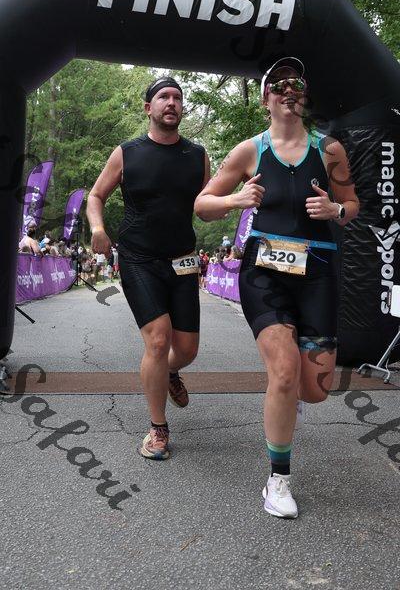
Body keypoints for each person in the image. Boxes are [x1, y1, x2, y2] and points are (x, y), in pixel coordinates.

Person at [194, 57, 359, 518]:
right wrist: (237, 199)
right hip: (264, 272)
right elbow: (202, 205)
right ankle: (278, 481)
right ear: (266, 99)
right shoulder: (250, 151)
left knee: (316, 389)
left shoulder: (330, 151)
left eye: (297, 84)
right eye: (280, 85)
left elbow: (352, 204)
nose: (289, 90)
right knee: (284, 373)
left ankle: (287, 401)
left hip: (318, 271)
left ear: (304, 97)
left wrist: (336, 212)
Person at [87, 76, 210, 460]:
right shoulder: (127, 153)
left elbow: (208, 206)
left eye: (177, 97)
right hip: (138, 258)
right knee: (158, 339)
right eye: (163, 97)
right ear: (148, 108)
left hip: (183, 259)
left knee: (186, 349)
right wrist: (97, 228)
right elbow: (96, 195)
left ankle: (169, 372)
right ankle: (158, 428)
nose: (171, 102)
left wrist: (235, 201)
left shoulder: (198, 156)